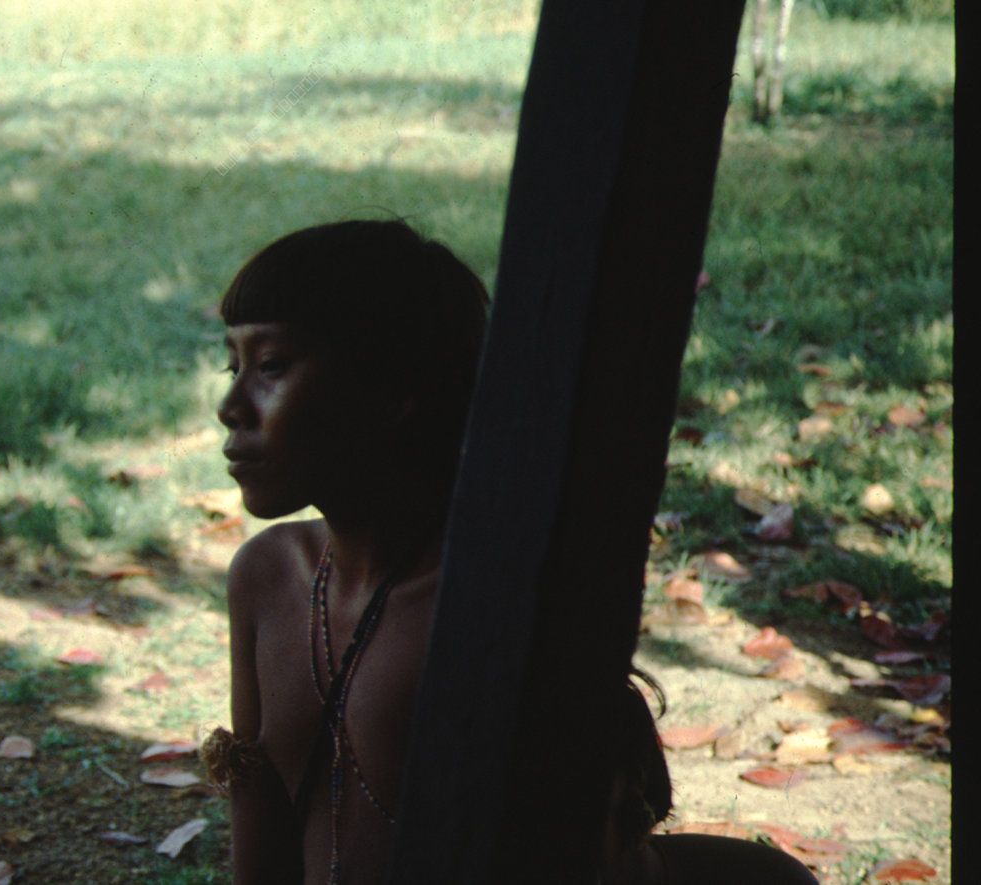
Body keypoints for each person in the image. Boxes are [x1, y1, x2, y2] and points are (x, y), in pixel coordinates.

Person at [204, 219, 817, 885]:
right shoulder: (267, 577)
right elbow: (260, 836)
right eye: (232, 365)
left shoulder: (488, 599)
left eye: (270, 367)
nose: (230, 405)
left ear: (393, 390)